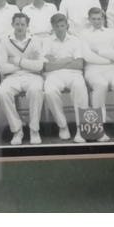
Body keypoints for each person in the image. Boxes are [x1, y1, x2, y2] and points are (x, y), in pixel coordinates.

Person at [79, 8, 114, 141]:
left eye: (99, 19)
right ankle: (98, 127)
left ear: (104, 19)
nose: (96, 21)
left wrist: (99, 51)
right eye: (93, 19)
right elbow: (87, 56)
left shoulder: (112, 33)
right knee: (101, 85)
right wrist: (109, 58)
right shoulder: (83, 34)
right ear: (89, 19)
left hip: (113, 70)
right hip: (93, 70)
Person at [42, 14, 90, 143]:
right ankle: (62, 126)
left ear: (67, 25)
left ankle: (81, 128)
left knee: (80, 87)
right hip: (54, 75)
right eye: (56, 26)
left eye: (62, 25)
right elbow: (47, 67)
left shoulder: (75, 40)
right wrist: (68, 59)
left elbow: (79, 64)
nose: (60, 29)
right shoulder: (47, 41)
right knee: (49, 92)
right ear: (52, 27)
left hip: (74, 73)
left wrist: (57, 62)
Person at [0, 13, 44, 145]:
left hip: (33, 76)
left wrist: (16, 61)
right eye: (17, 24)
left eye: (23, 24)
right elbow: (2, 68)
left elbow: (39, 66)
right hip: (12, 77)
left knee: (36, 90)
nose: (19, 27)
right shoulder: (5, 41)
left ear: (27, 26)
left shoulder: (35, 40)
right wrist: (27, 65)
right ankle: (17, 130)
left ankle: (34, 130)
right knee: (3, 92)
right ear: (12, 25)